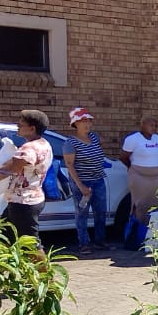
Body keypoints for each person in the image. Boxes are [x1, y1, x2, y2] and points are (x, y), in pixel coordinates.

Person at [0, 109, 52, 242]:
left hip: (23, 202)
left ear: (32, 128)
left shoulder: (30, 148)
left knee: (31, 244)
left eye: (21, 124)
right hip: (26, 199)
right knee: (2, 237)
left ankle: (40, 258)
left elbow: (11, 168)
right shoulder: (44, 144)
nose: (17, 126)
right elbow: (15, 163)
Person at [63, 107, 108, 254]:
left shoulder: (94, 137)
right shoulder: (70, 143)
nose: (88, 124)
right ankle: (84, 243)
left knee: (100, 212)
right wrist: (80, 185)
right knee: (82, 213)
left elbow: (101, 145)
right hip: (82, 182)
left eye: (89, 121)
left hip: (98, 180)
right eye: (84, 121)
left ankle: (100, 241)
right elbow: (69, 165)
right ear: (76, 123)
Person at [121, 116, 158, 225]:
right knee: (140, 204)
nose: (154, 128)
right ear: (142, 125)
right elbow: (124, 157)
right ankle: (137, 228)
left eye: (155, 126)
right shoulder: (133, 139)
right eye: (151, 125)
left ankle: (151, 229)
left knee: (155, 203)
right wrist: (132, 167)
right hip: (139, 176)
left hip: (155, 178)